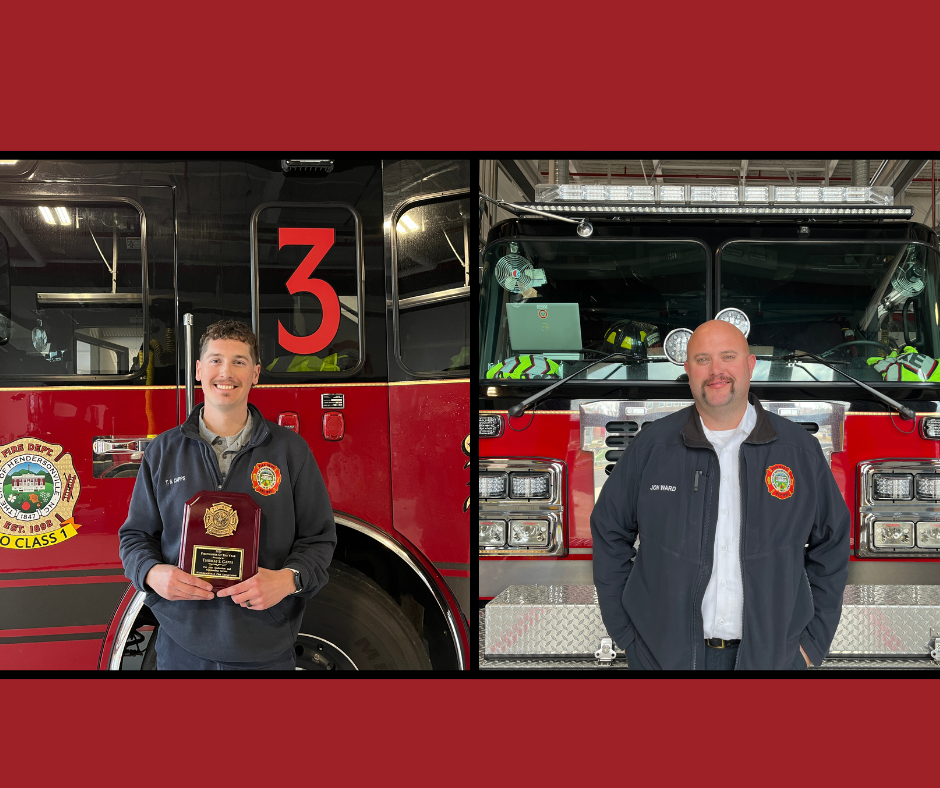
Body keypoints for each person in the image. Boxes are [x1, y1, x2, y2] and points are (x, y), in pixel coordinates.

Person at [591, 319, 850, 670]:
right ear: (688, 370)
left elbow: (831, 545)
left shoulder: (799, 451)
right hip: (664, 661)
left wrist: (811, 645)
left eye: (728, 356)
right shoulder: (652, 447)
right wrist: (628, 636)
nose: (716, 371)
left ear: (750, 365)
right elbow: (609, 530)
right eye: (702, 359)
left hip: (772, 661)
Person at [119, 320, 336, 670]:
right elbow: (135, 537)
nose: (226, 372)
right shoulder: (163, 451)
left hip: (265, 645)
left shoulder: (290, 451)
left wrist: (287, 580)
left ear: (256, 374)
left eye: (239, 361)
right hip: (180, 646)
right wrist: (152, 573)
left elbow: (319, 539)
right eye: (216, 360)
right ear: (199, 370)